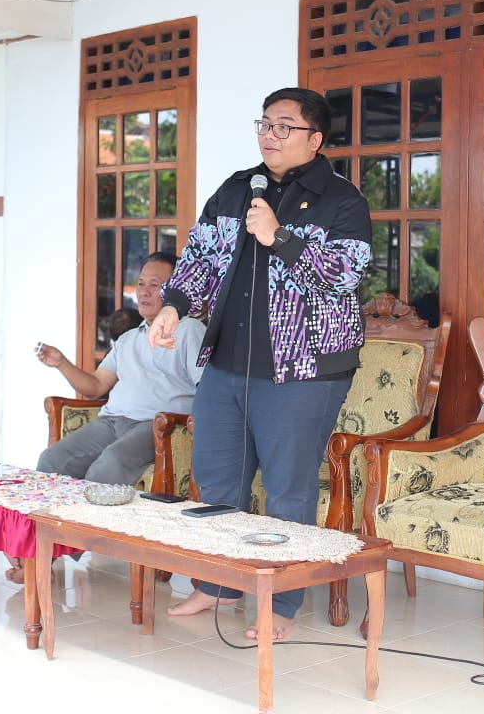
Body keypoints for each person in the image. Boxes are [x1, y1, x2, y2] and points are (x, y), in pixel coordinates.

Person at [149, 87, 372, 642]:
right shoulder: (236, 189)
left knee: (287, 491)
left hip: (304, 371)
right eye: (266, 124)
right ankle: (218, 585)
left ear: (315, 139)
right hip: (227, 362)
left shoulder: (342, 199)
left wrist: (279, 237)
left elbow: (343, 276)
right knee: (217, 480)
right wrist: (173, 307)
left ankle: (281, 603)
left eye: (284, 126)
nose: (270, 135)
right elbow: (198, 259)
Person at [5, 252, 204, 584]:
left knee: (107, 465)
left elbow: (205, 387)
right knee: (52, 459)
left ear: (176, 290)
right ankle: (40, 550)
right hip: (112, 421)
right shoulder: (129, 339)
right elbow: (97, 386)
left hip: (158, 426)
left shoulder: (190, 331)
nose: (144, 292)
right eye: (141, 284)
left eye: (155, 285)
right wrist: (62, 362)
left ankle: (64, 548)